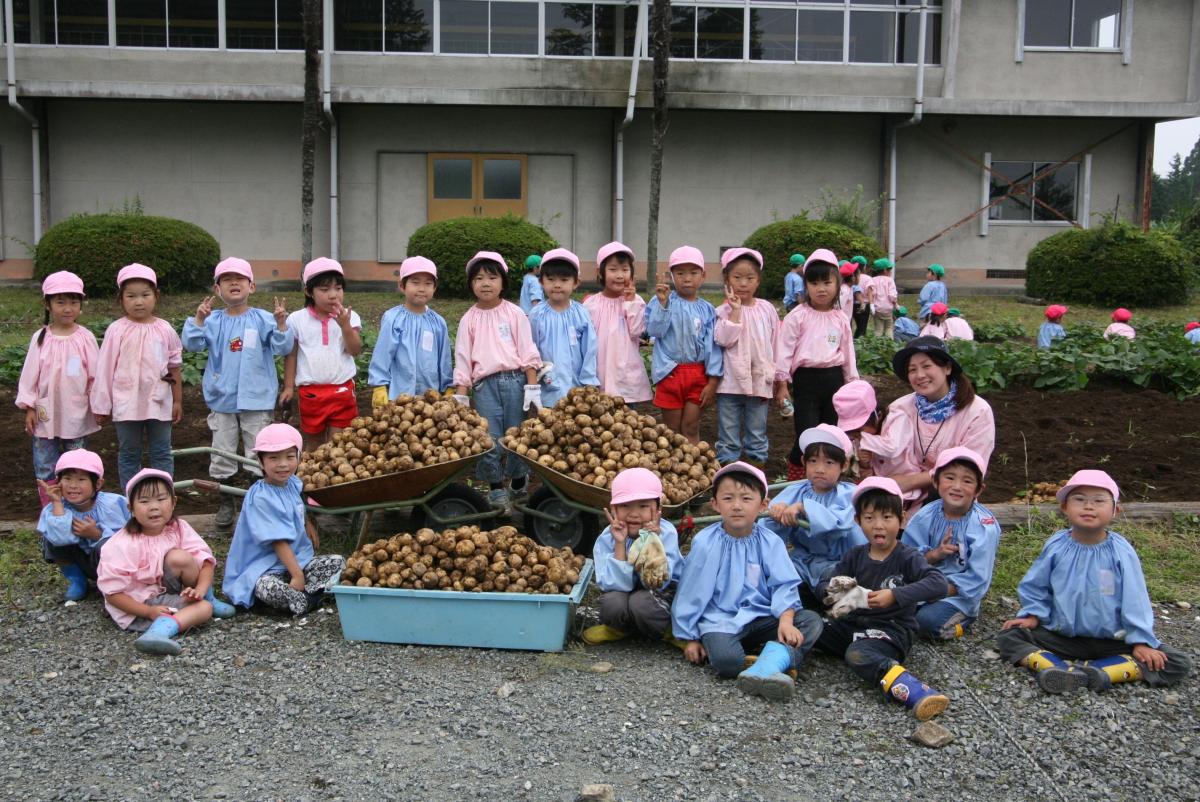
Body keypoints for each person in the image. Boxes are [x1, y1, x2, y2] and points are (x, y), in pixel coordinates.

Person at [997, 470, 1191, 693]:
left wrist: (1140, 641)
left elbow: (1135, 597)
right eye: (1079, 499)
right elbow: (1037, 584)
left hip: (1111, 641)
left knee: (1175, 661)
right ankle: (1060, 668)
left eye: (1099, 501)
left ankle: (1096, 671)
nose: (1089, 507)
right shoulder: (1057, 545)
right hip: (1062, 637)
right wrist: (1032, 615)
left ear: (1115, 510)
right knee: (1010, 635)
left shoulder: (1121, 552)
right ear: (1064, 507)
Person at [672, 462, 824, 702]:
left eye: (746, 498)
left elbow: (783, 584)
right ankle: (776, 661)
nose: (736, 506)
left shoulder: (770, 541)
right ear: (715, 503)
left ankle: (764, 666)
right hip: (720, 620)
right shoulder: (705, 542)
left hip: (762, 617)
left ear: (763, 505)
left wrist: (785, 621)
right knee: (726, 662)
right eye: (728, 498)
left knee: (811, 621)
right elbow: (691, 592)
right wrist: (689, 637)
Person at [813, 477, 951, 721]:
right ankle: (779, 665)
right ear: (858, 521)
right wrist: (836, 591)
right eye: (869, 518)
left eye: (887, 517)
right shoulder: (855, 555)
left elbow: (938, 583)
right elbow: (825, 585)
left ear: (902, 519)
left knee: (857, 654)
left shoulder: (908, 557)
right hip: (851, 625)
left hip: (891, 631)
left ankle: (917, 692)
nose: (878, 525)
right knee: (811, 625)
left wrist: (895, 595)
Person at [182, 257, 294, 529]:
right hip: (222, 399)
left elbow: (282, 348)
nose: (234, 283)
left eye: (240, 279)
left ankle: (257, 500)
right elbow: (192, 345)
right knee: (222, 451)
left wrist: (281, 324)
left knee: (258, 448)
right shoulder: (213, 321)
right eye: (226, 280)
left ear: (252, 286)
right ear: (217, 288)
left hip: (256, 398)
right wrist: (198, 319)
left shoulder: (263, 319)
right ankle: (226, 500)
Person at [97, 469, 235, 656]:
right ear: (130, 508)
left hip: (164, 589)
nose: (154, 507)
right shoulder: (121, 544)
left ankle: (206, 596)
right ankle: (158, 632)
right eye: (144, 501)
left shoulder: (178, 528)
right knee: (204, 609)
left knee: (181, 558)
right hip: (139, 603)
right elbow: (112, 594)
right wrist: (148, 611)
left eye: (161, 499)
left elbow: (206, 562)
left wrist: (200, 590)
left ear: (174, 502)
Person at [858, 336, 995, 518]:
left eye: (927, 366)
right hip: (902, 497)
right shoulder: (900, 408)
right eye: (912, 369)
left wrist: (908, 482)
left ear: (947, 367)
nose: (920, 375)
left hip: (948, 498)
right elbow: (886, 458)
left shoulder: (977, 412)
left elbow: (968, 470)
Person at [222, 423, 346, 615]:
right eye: (274, 458)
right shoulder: (261, 497)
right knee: (267, 587)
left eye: (289, 457)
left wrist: (307, 523)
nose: (283, 464)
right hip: (265, 567)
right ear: (261, 462)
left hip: (297, 559)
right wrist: (297, 575)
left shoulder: (292, 483)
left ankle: (302, 597)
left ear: (298, 457)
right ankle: (309, 597)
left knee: (338, 562)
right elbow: (277, 541)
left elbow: (297, 506)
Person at [453, 251, 543, 512]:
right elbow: (463, 358)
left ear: (503, 282)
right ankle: (495, 488)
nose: (485, 283)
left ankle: (517, 483)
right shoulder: (468, 319)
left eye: (492, 277)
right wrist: (461, 394)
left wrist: (532, 385)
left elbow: (527, 351)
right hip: (484, 386)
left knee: (516, 435)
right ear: (471, 284)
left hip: (515, 381)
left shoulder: (514, 313)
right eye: (479, 278)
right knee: (489, 439)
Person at [89, 264, 183, 491]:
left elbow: (174, 367)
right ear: (121, 299)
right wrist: (102, 405)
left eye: (145, 295)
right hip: (127, 404)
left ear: (156, 296)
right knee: (129, 453)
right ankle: (130, 498)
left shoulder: (165, 329)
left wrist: (178, 400)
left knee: (161, 451)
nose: (139, 302)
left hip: (159, 402)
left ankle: (163, 497)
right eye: (131, 296)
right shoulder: (116, 330)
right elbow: (105, 369)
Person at [774, 249, 858, 481]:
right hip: (806, 381)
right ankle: (797, 477)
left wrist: (852, 384)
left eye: (827, 282)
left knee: (832, 430)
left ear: (838, 284)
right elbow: (784, 351)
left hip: (834, 381)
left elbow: (848, 353)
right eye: (815, 283)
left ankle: (827, 478)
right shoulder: (797, 316)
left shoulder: (840, 318)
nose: (821, 289)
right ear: (806, 285)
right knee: (806, 431)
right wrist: (782, 385)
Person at [17, 270, 99, 507]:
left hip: (77, 412)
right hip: (46, 413)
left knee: (76, 462)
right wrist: (29, 407)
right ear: (48, 304)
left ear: (80, 305)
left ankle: (77, 507)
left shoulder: (85, 338)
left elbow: (95, 375)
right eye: (60, 302)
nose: (67, 308)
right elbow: (30, 375)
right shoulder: (40, 337)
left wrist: (98, 405)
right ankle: (51, 509)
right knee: (45, 463)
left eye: (73, 302)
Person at [901, 447, 1000, 640]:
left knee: (926, 622)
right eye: (949, 478)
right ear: (936, 482)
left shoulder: (983, 527)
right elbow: (907, 557)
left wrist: (934, 591)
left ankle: (962, 620)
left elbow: (977, 579)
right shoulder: (924, 516)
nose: (957, 486)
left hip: (957, 595)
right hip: (923, 586)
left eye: (967, 481)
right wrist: (933, 555)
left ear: (979, 489)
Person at [763, 424, 863, 609]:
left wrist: (803, 508)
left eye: (829, 463)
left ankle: (823, 602)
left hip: (837, 562)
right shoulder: (795, 491)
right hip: (802, 560)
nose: (820, 469)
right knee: (778, 577)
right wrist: (778, 514)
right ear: (803, 462)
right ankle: (803, 603)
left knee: (836, 584)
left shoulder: (850, 494)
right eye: (813, 461)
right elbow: (766, 530)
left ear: (845, 465)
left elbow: (840, 524)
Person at [583, 468, 683, 645]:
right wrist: (620, 544)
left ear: (658, 508)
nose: (634, 514)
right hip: (625, 593)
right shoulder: (607, 538)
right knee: (612, 602)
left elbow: (659, 581)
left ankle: (668, 630)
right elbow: (612, 584)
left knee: (641, 603)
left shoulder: (666, 533)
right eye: (625, 506)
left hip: (658, 595)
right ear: (614, 508)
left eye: (643, 506)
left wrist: (652, 542)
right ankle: (618, 628)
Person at [280, 258, 363, 451]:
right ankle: (310, 479)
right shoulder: (297, 319)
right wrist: (288, 387)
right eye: (324, 290)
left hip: (342, 390)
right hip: (311, 393)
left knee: (339, 444)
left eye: (338, 288)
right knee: (314, 443)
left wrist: (345, 326)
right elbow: (291, 355)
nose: (333, 295)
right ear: (309, 291)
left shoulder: (351, 317)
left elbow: (355, 350)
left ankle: (335, 481)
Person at [712, 247, 784, 468]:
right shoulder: (722, 311)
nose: (743, 283)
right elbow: (723, 340)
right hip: (730, 385)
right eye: (737, 278)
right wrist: (735, 311)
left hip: (759, 381)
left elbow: (776, 345)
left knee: (756, 434)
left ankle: (757, 475)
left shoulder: (767, 309)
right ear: (727, 280)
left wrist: (780, 380)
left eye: (749, 278)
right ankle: (728, 474)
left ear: (758, 281)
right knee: (728, 437)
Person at [646, 246, 723, 444]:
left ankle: (694, 467)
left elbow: (713, 346)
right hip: (669, 372)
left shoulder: (707, 309)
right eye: (680, 273)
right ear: (671, 275)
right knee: (671, 429)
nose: (686, 278)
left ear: (703, 276)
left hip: (697, 374)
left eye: (693, 273)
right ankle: (673, 469)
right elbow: (654, 331)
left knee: (690, 426)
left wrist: (713, 381)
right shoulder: (662, 300)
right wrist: (662, 305)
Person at [36, 449, 129, 601]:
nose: (72, 485)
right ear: (59, 482)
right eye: (67, 478)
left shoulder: (114, 504)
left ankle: (116, 590)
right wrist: (57, 503)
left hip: (116, 568)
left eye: (81, 479)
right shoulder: (57, 508)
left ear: (98, 483)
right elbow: (59, 539)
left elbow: (128, 541)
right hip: (83, 563)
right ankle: (77, 580)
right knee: (50, 537)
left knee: (105, 545)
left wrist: (97, 535)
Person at [368, 255, 453, 408]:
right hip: (399, 397)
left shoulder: (438, 323)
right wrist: (379, 385)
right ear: (402, 285)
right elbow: (383, 353)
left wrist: (448, 386)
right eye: (415, 283)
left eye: (428, 283)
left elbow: (444, 358)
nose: (422, 288)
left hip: (430, 397)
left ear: (434, 288)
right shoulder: (393, 318)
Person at [528, 248, 600, 408]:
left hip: (577, 391)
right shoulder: (536, 315)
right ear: (541, 282)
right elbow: (531, 350)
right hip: (547, 388)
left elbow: (590, 350)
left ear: (576, 283)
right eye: (551, 279)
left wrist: (589, 384)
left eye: (564, 279)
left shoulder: (581, 313)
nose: (557, 285)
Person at [582, 241, 653, 405]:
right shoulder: (590, 304)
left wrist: (631, 302)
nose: (620, 275)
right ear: (600, 272)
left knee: (626, 423)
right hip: (598, 372)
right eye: (613, 270)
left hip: (624, 374)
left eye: (625, 270)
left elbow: (637, 330)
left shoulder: (636, 301)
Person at [868, 258, 898, 338]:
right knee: (889, 327)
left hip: (877, 308)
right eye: (890, 269)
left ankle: (877, 345)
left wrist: (871, 305)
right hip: (887, 309)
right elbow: (892, 295)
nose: (891, 271)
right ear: (885, 270)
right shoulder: (890, 280)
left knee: (878, 329)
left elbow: (872, 293)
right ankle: (889, 344)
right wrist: (895, 304)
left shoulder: (872, 280)